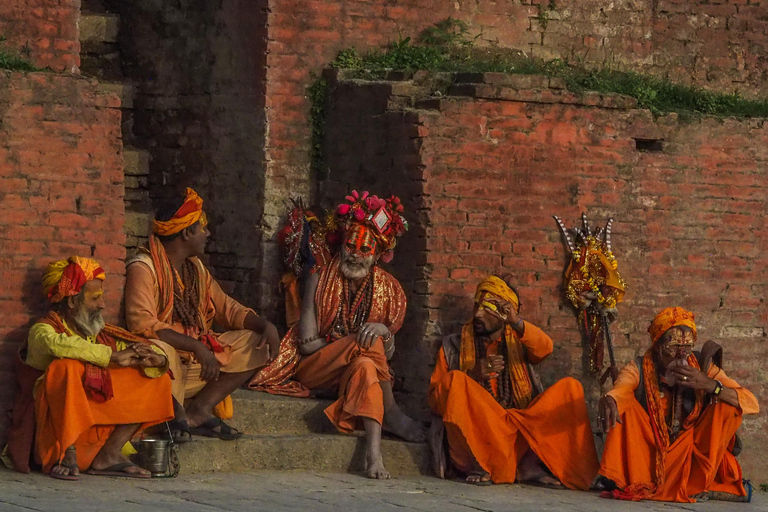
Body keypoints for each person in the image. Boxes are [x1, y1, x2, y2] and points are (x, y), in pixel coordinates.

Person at [124, 188, 280, 440]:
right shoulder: (143, 267)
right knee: (158, 348)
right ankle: (170, 418)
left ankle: (198, 410)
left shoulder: (195, 269)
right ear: (187, 232)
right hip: (164, 369)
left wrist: (265, 325)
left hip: (198, 364)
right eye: (202, 228)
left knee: (255, 343)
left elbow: (226, 308)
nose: (207, 234)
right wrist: (196, 347)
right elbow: (141, 324)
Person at [289, 191, 425, 479]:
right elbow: (307, 344)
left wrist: (384, 331)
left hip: (356, 372)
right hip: (317, 369)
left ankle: (374, 457)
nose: (354, 253)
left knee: (366, 365)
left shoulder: (389, 288)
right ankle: (392, 412)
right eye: (350, 245)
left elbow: (386, 356)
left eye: (364, 249)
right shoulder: (320, 276)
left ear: (377, 255)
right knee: (367, 346)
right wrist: (352, 343)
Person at [4, 256, 173, 480]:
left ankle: (110, 455)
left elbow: (144, 351)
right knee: (66, 368)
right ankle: (66, 454)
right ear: (72, 302)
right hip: (54, 438)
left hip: (96, 439)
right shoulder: (43, 331)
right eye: (95, 298)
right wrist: (112, 357)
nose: (102, 305)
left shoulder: (104, 335)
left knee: (156, 377)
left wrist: (156, 360)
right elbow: (62, 345)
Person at [429, 275, 599, 488]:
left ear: (502, 315)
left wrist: (516, 322)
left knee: (570, 388)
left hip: (517, 433)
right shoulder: (452, 346)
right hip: (478, 439)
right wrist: (472, 375)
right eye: (476, 306)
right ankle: (485, 464)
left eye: (487, 309)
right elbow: (435, 402)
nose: (477, 314)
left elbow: (545, 348)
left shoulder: (520, 340)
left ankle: (528, 467)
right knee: (455, 379)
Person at [597, 306, 759, 502]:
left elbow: (750, 402)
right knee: (623, 404)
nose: (681, 355)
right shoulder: (639, 367)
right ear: (657, 347)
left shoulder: (703, 367)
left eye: (688, 347)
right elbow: (622, 387)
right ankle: (639, 478)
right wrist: (611, 398)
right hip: (652, 453)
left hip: (691, 456)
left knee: (729, 405)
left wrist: (710, 386)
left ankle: (697, 482)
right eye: (673, 347)